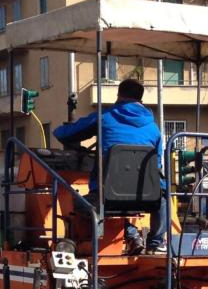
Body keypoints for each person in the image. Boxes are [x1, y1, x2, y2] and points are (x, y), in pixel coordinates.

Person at [53, 78, 166, 252]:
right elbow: (156, 164)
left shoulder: (104, 117)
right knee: (163, 196)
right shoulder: (154, 128)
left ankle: (123, 235)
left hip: (107, 194)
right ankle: (155, 243)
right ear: (141, 100)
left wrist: (61, 131)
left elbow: (65, 134)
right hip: (146, 196)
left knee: (76, 200)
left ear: (119, 95)